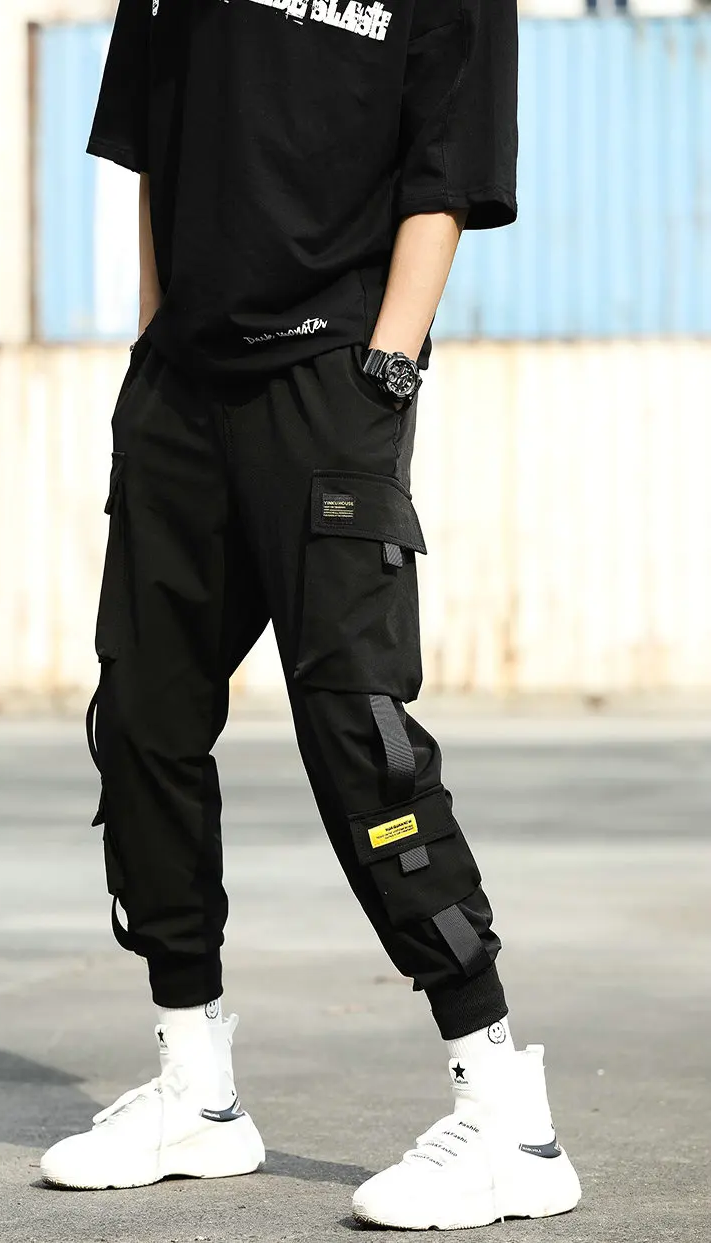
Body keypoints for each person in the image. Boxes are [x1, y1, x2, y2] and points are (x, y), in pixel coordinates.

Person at [40, 0, 582, 1229]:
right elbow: (154, 147)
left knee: (357, 736)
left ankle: (508, 1114)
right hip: (181, 390)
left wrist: (385, 367)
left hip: (329, 377)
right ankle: (195, 1087)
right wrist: (151, 345)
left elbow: (447, 172)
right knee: (141, 721)